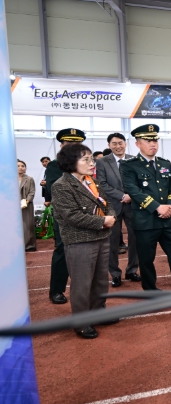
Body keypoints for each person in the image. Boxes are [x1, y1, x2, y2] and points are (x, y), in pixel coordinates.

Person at [51, 143, 117, 339]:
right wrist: (103, 221)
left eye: (91, 159)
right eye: (86, 160)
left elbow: (106, 204)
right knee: (82, 284)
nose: (92, 163)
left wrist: (110, 216)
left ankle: (98, 311)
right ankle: (81, 322)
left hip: (101, 237)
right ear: (71, 162)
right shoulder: (61, 186)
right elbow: (72, 216)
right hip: (80, 241)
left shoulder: (91, 181)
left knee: (100, 280)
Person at [120, 124, 171, 292]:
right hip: (145, 221)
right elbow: (133, 191)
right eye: (148, 141)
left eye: (155, 140)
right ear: (137, 144)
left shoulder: (164, 163)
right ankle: (150, 290)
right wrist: (157, 207)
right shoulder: (129, 165)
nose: (153, 144)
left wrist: (169, 206)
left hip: (167, 220)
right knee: (146, 259)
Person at [45, 128, 87, 305]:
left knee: (87, 252)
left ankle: (86, 291)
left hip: (87, 216)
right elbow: (53, 189)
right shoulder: (54, 166)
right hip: (66, 217)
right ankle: (56, 290)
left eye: (77, 144)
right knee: (63, 251)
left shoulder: (87, 163)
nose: (73, 146)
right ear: (62, 146)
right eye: (69, 143)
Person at [95, 132, 141, 288]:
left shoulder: (134, 160)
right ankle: (115, 273)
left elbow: (140, 181)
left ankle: (132, 270)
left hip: (133, 205)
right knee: (112, 241)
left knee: (135, 239)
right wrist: (122, 195)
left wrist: (132, 195)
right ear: (109, 145)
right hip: (112, 206)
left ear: (125, 143)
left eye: (120, 143)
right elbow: (102, 184)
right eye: (114, 143)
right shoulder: (102, 162)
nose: (118, 146)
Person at [18, 160, 37, 252]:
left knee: (27, 225)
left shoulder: (29, 179)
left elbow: (32, 191)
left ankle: (29, 245)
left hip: (26, 204)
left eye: (23, 166)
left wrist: (27, 201)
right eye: (18, 166)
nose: (21, 167)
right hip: (12, 205)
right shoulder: (8, 179)